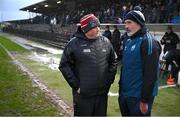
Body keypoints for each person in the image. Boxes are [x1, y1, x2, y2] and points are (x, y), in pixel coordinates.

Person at [59, 14, 117, 116]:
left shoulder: (106, 42)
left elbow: (114, 61)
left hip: (101, 96)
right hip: (83, 97)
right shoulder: (73, 44)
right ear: (86, 29)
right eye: (95, 27)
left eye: (98, 26)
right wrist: (76, 85)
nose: (98, 29)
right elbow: (64, 65)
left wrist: (109, 80)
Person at [118, 8, 162, 116]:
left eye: (129, 22)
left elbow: (151, 75)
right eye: (125, 23)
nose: (126, 26)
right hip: (125, 94)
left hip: (138, 98)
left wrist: (144, 100)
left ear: (139, 23)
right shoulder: (128, 40)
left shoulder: (148, 42)